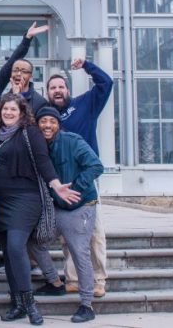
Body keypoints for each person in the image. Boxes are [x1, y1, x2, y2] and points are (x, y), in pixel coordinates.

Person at [0, 95, 80, 325]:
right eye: (5, 109)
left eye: (13, 109)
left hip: (25, 200)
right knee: (8, 253)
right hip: (0, 203)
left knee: (16, 246)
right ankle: (17, 304)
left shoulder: (30, 133)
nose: (8, 112)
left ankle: (30, 305)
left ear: (21, 112)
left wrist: (56, 185)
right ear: (0, 112)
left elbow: (43, 161)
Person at [28, 106, 103, 323]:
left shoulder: (73, 141)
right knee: (35, 241)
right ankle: (55, 282)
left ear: (58, 124)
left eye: (52, 121)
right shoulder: (38, 146)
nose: (47, 125)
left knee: (79, 252)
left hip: (80, 206)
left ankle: (87, 305)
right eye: (43, 122)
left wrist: (76, 188)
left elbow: (96, 166)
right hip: (56, 207)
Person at [45, 59, 113, 297]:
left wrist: (87, 64)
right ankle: (72, 277)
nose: (57, 91)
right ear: (47, 93)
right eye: (52, 88)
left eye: (60, 87)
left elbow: (106, 82)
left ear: (68, 90)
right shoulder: (48, 117)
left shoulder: (85, 104)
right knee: (67, 234)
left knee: (94, 231)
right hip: (60, 184)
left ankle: (99, 279)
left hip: (85, 179)